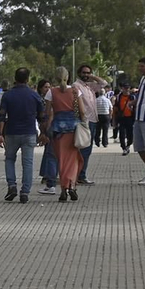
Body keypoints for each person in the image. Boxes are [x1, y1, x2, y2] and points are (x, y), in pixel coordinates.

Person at [0, 67, 42, 203]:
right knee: (27, 163)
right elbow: (42, 116)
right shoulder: (34, 95)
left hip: (11, 132)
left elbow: (1, 115)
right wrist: (44, 133)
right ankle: (25, 192)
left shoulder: (8, 95)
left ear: (15, 78)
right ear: (28, 79)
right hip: (29, 132)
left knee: (10, 159)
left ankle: (12, 185)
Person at [46, 68, 81, 203]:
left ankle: (63, 189)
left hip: (58, 131)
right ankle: (71, 185)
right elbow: (82, 111)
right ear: (68, 77)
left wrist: (46, 129)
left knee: (61, 160)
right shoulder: (75, 91)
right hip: (73, 129)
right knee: (73, 160)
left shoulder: (51, 92)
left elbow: (48, 113)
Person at [74, 64, 101, 185]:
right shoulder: (76, 86)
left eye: (88, 73)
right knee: (84, 149)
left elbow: (104, 83)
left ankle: (81, 174)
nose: (86, 75)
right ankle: (80, 175)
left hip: (93, 120)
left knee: (88, 149)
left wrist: (93, 76)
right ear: (79, 73)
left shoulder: (90, 86)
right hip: (84, 121)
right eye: (84, 73)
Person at [116, 84, 134, 153]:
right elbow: (116, 108)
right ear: (122, 88)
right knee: (122, 134)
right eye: (125, 88)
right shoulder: (119, 97)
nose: (127, 90)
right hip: (122, 118)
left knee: (130, 134)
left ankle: (128, 145)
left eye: (128, 88)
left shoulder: (132, 97)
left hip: (130, 118)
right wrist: (114, 120)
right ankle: (123, 147)